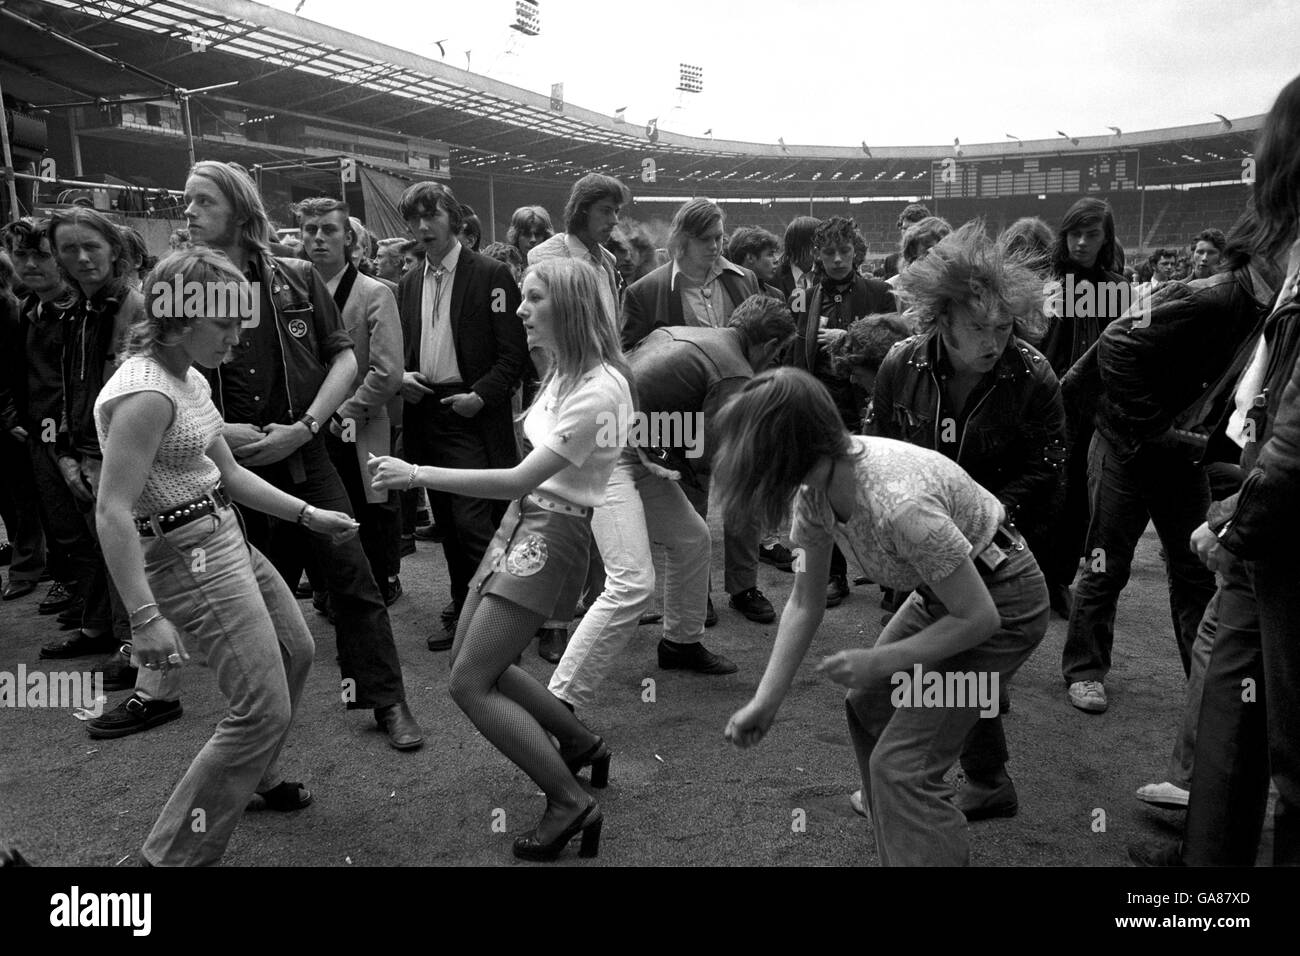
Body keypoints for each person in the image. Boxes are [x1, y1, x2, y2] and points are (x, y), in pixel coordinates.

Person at [91, 161, 424, 750]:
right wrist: (221, 433)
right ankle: (237, 728)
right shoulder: (169, 287)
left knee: (352, 577)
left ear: (241, 211)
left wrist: (307, 426)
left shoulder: (296, 277)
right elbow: (155, 373)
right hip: (223, 471)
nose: (188, 213)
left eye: (202, 202)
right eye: (187, 202)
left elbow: (343, 357)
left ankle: (384, 700)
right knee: (247, 608)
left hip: (304, 453)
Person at [718, 367, 1048, 866]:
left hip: (1006, 604)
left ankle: (908, 811)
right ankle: (900, 830)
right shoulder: (814, 493)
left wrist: (882, 661)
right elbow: (805, 602)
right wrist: (765, 702)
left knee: (903, 768)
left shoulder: (899, 505)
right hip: (945, 596)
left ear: (788, 449)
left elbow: (978, 619)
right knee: (871, 703)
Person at [94, 246, 358, 866]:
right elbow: (111, 511)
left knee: (298, 650)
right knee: (261, 708)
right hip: (185, 552)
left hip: (221, 532)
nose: (238, 338)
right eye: (227, 322)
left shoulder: (187, 376)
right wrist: (143, 618)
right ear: (181, 314)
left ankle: (255, 777)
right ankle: (164, 864)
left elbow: (228, 472)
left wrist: (305, 513)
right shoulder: (147, 393)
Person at [370, 258, 633, 861]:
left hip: (550, 535)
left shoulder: (599, 388)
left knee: (467, 682)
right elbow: (537, 452)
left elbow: (518, 478)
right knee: (475, 660)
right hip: (529, 525)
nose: (518, 308)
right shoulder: (568, 371)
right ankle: (581, 744)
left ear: (568, 307)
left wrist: (415, 472)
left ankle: (570, 801)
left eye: (533, 298)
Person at [867, 222, 1065, 820]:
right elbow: (880, 453)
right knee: (912, 671)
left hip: (998, 548)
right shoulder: (900, 364)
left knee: (959, 667)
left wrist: (975, 529)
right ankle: (974, 781)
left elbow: (1049, 473)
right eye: (979, 327)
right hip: (926, 551)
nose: (995, 341)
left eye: (1005, 327)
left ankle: (938, 787)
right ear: (942, 318)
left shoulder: (1033, 375)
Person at [549, 294, 796, 705]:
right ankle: (560, 700)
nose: (773, 364)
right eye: (778, 355)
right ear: (769, 347)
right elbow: (711, 456)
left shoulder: (690, 334)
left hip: (628, 446)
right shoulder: (733, 371)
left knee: (691, 538)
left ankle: (681, 643)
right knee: (631, 584)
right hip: (605, 452)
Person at [395, 181, 527, 649]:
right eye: (414, 219)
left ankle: (489, 622)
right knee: (448, 524)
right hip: (425, 412)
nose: (423, 227)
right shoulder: (408, 282)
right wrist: (403, 376)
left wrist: (481, 397)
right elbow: (404, 351)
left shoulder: (491, 275)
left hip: (470, 415)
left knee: (474, 525)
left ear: (454, 218)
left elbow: (514, 357)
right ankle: (464, 606)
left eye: (431, 215)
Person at [790, 215, 896, 607]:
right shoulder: (806, 294)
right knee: (826, 489)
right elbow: (798, 349)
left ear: (856, 252)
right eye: (829, 252)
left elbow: (893, 346)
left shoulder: (879, 291)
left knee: (877, 492)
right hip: (824, 403)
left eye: (844, 251)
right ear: (818, 255)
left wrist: (846, 336)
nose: (837, 259)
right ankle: (834, 576)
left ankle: (890, 579)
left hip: (867, 403)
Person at [1037, 198, 1128, 623]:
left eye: (1092, 234)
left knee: (1080, 500)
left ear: (1105, 238)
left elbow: (1132, 350)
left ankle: (1058, 579)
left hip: (1097, 409)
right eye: (1075, 233)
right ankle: (1032, 578)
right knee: (1043, 490)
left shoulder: (1120, 289)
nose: (1082, 241)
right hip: (1047, 402)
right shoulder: (1046, 283)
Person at [528, 173, 627, 327]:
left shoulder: (608, 264)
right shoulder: (544, 264)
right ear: (582, 210)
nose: (615, 220)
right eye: (606, 211)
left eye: (616, 211)